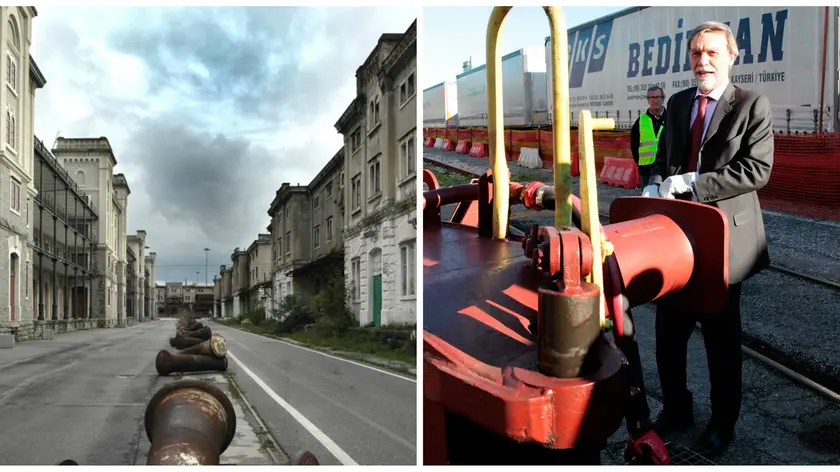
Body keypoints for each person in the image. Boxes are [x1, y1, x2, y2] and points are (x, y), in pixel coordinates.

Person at [641, 20, 774, 458]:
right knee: (668, 334)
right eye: (697, 53)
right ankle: (678, 409)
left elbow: (757, 171)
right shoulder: (678, 104)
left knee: (721, 343)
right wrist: (654, 183)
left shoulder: (751, 105)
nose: (704, 61)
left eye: (713, 53)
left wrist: (694, 184)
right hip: (674, 239)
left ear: (731, 56)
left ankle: (723, 424)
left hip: (723, 245)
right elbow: (663, 160)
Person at [630, 86, 667, 187]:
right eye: (652, 97)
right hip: (646, 169)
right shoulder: (641, 121)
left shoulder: (671, 118)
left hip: (665, 168)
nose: (655, 100)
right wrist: (640, 163)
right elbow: (634, 145)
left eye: (657, 97)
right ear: (648, 100)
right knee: (647, 198)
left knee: (665, 199)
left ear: (663, 99)